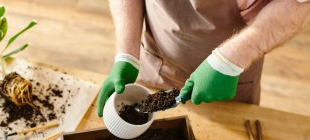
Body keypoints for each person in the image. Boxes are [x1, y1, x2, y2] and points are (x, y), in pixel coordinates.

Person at [97, 0, 310, 117]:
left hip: (229, 74)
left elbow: (298, 5)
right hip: (156, 65)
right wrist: (127, 52)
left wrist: (230, 60)